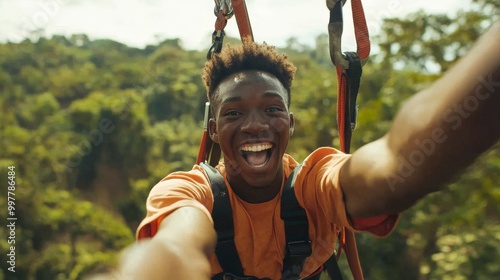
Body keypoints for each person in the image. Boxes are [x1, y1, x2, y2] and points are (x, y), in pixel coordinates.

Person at [114, 21, 500, 280]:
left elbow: (391, 171)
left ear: (290, 122)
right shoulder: (187, 193)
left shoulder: (315, 184)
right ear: (213, 130)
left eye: (271, 109)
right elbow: (175, 248)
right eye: (234, 113)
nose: (255, 125)